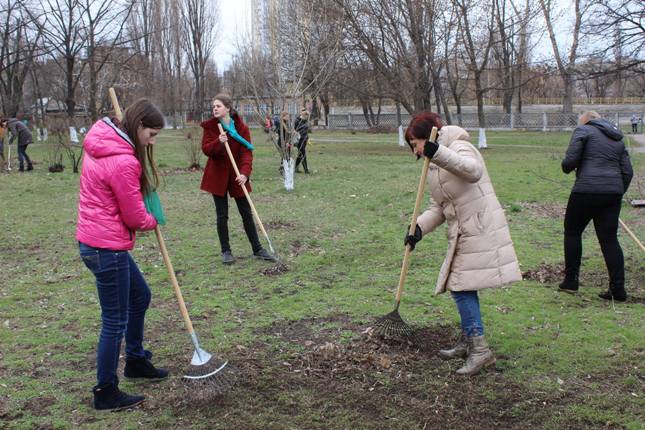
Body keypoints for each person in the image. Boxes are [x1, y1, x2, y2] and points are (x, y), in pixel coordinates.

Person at [403, 112, 522, 376]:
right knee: (461, 286)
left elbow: (473, 171)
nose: (416, 151)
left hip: (479, 226)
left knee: (460, 286)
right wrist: (418, 228)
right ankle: (470, 341)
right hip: (462, 230)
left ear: (427, 136)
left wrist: (438, 153)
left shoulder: (459, 146)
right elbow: (439, 206)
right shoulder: (433, 164)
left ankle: (480, 350)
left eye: (415, 144)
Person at [76, 99, 169, 411]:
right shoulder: (124, 160)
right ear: (139, 126)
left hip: (94, 242)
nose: (151, 142)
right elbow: (134, 217)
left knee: (140, 296)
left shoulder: (103, 141)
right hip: (107, 248)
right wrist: (153, 219)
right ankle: (105, 391)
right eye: (151, 135)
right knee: (114, 320)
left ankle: (136, 361)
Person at [559, 111, 633, 302]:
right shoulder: (617, 138)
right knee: (609, 241)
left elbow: (569, 163)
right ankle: (618, 289)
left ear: (585, 121)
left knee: (572, 232)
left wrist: (567, 166)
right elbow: (628, 172)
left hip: (586, 190)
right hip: (612, 193)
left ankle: (571, 280)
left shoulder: (583, 130)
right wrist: (616, 192)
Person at [200, 93, 276, 264]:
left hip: (237, 176)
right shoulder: (211, 127)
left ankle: (257, 248)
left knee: (246, 213)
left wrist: (245, 173)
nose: (215, 109)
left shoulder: (241, 128)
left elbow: (246, 153)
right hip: (218, 176)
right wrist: (218, 142)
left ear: (227, 108)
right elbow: (206, 149)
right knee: (222, 215)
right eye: (213, 106)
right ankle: (226, 251)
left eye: (218, 106)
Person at [294, 109, 310, 173]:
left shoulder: (306, 121)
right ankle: (306, 170)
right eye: (306, 116)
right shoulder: (297, 121)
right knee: (303, 154)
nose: (307, 118)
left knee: (300, 154)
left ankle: (295, 168)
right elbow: (294, 130)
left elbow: (306, 130)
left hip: (304, 139)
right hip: (299, 140)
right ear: (303, 115)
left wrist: (307, 138)